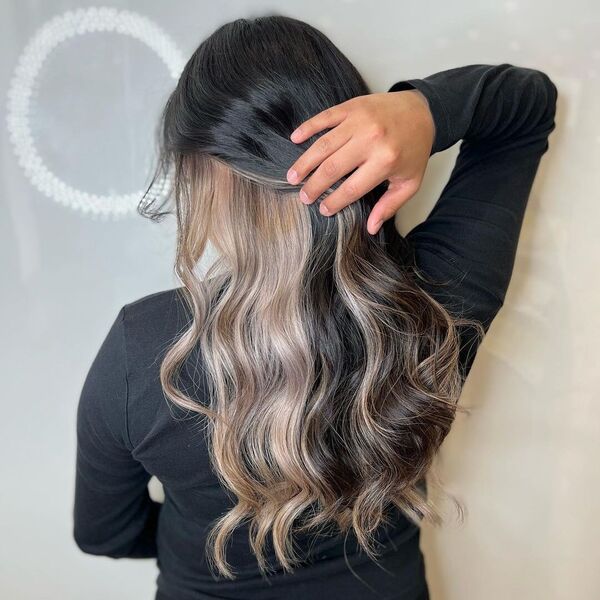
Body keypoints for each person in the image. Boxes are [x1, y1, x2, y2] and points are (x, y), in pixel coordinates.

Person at [72, 14, 557, 600]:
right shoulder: (434, 301)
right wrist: (424, 109)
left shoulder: (144, 351)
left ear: (202, 175)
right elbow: (526, 109)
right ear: (365, 141)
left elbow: (104, 533)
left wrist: (202, 539)